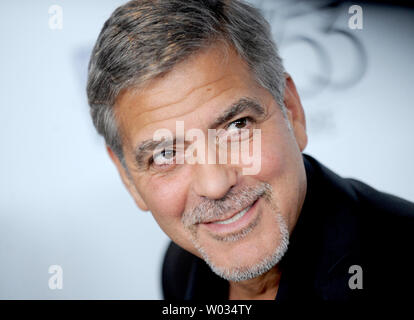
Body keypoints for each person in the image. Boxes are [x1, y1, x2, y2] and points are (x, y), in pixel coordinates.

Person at [86, 0, 414, 300]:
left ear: (292, 112)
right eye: (166, 154)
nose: (215, 185)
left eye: (237, 126)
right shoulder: (182, 266)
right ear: (128, 177)